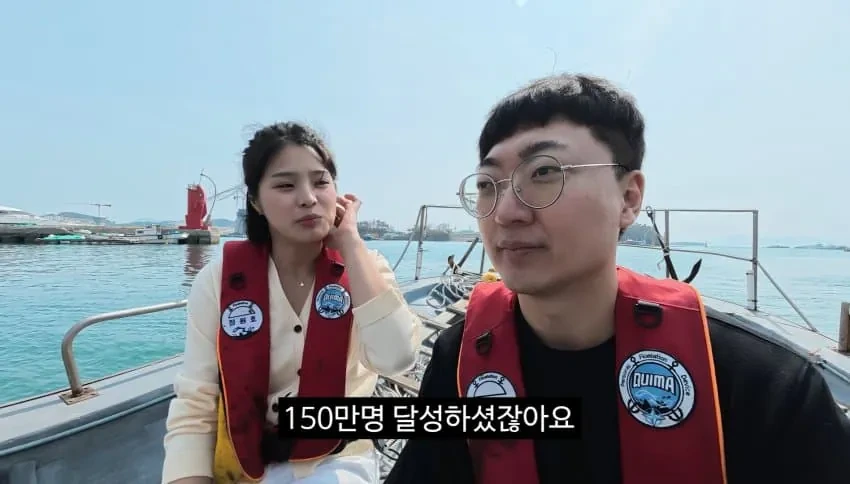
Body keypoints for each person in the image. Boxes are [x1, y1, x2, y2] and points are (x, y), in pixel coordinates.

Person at [385, 73, 850, 484]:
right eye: (488, 185)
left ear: (628, 198)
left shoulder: (762, 387)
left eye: (544, 172)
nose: (505, 212)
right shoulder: (460, 360)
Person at [162, 121, 422, 484]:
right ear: (255, 201)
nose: (308, 198)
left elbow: (397, 358)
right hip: (247, 466)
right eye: (285, 185)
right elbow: (196, 403)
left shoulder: (366, 269)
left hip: (339, 462)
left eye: (321, 182)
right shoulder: (218, 282)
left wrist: (351, 243)